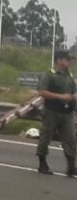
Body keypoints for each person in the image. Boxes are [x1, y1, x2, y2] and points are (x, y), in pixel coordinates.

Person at [36, 48, 76, 176]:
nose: (69, 62)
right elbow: (41, 92)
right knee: (46, 137)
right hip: (52, 111)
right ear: (59, 60)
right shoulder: (49, 74)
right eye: (67, 59)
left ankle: (71, 167)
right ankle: (42, 162)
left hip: (67, 113)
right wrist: (61, 96)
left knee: (70, 139)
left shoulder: (70, 75)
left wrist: (74, 97)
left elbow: (73, 90)